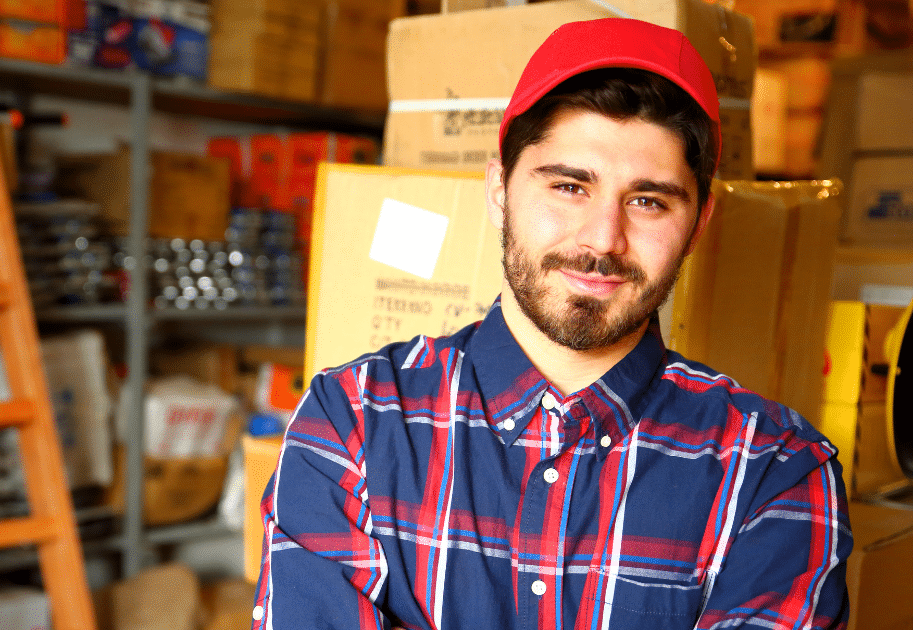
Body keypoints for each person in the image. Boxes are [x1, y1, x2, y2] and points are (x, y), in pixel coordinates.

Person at [251, 17, 851, 630]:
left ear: (698, 225)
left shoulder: (775, 471)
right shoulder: (354, 419)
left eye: (648, 201)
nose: (602, 239)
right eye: (569, 186)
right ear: (498, 191)